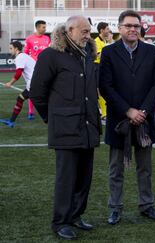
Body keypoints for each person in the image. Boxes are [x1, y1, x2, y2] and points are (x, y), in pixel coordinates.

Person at [29, 16, 101, 240]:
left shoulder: (88, 53)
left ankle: (76, 215)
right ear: (70, 30)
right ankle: (60, 221)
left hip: (88, 126)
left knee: (84, 177)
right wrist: (51, 118)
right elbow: (37, 92)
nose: (88, 35)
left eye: (89, 31)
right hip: (65, 127)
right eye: (84, 31)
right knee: (66, 178)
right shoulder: (51, 55)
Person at [99, 10, 155, 225]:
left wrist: (143, 111)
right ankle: (115, 208)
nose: (133, 29)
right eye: (128, 26)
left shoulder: (151, 51)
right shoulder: (109, 52)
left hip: (144, 120)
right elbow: (105, 86)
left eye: (136, 26)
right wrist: (128, 111)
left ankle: (147, 205)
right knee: (116, 169)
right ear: (120, 28)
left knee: (145, 168)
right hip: (120, 121)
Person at [0, 41, 35, 128]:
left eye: (11, 48)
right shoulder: (23, 56)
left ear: (16, 49)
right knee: (20, 99)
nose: (10, 50)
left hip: (34, 83)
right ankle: (11, 121)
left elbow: (18, 73)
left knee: (43, 103)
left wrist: (10, 83)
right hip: (35, 83)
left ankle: (11, 121)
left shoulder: (20, 57)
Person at [23, 20, 51, 120]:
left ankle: (48, 109)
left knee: (47, 87)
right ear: (38, 27)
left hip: (46, 67)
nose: (45, 29)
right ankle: (31, 112)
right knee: (32, 88)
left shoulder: (47, 38)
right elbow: (25, 53)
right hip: (33, 68)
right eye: (43, 27)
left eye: (45, 27)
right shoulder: (29, 39)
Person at [94, 22, 110, 125]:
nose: (108, 31)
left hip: (103, 68)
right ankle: (104, 115)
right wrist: (108, 49)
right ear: (101, 30)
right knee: (99, 91)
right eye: (107, 29)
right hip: (97, 68)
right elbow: (98, 56)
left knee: (104, 90)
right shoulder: (96, 41)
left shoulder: (104, 41)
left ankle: (104, 113)